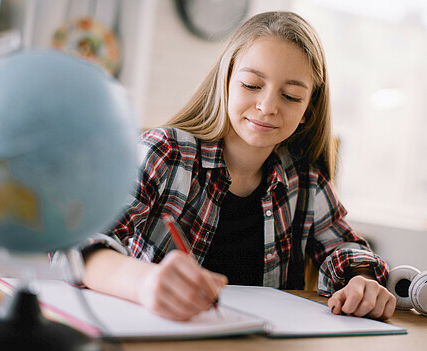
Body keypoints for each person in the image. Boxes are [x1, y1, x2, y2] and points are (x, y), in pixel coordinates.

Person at [79, 11, 396, 321]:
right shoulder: (165, 153)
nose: (268, 106)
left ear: (307, 113)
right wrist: (145, 282)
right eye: (251, 85)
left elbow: (345, 247)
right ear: (226, 81)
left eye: (290, 96)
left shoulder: (306, 180)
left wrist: (361, 280)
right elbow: (85, 244)